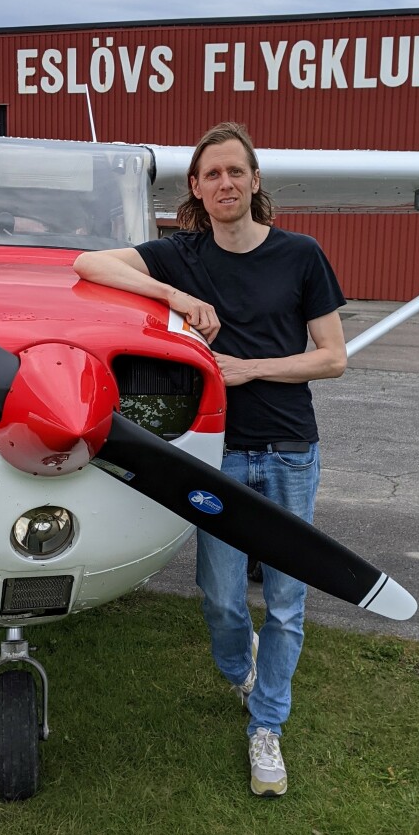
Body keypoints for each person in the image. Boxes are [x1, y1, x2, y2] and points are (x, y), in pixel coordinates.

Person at [73, 122, 347, 797]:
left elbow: (332, 357)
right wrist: (174, 295)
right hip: (214, 454)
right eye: (211, 175)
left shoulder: (301, 254)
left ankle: (266, 728)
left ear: (255, 182)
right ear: (195, 189)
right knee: (222, 599)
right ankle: (240, 673)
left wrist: (248, 369)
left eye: (235, 171)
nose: (224, 183)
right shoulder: (181, 255)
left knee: (284, 602)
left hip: (287, 452)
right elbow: (88, 265)